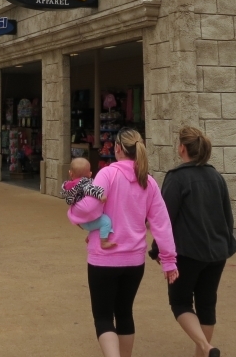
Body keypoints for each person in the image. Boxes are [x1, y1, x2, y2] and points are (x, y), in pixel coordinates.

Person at [68, 128, 178, 357]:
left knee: (103, 317)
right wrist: (169, 261)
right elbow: (162, 224)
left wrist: (72, 210)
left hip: (103, 259)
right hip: (134, 261)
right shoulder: (147, 181)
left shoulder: (107, 174)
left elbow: (89, 208)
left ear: (117, 148)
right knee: (125, 313)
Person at [155, 127, 236, 357]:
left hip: (188, 253)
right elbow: (227, 216)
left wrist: (158, 250)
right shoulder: (216, 176)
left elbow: (165, 219)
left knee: (180, 303)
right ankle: (202, 353)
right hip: (217, 251)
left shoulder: (177, 177)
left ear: (182, 148)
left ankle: (206, 347)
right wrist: (225, 244)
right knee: (207, 305)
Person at [62, 157, 116, 249]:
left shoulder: (68, 186)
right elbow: (90, 189)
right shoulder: (84, 183)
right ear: (90, 174)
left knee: (96, 221)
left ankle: (90, 236)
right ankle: (104, 242)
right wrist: (100, 195)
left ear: (70, 173)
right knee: (106, 222)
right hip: (87, 220)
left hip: (80, 220)